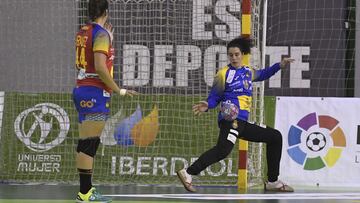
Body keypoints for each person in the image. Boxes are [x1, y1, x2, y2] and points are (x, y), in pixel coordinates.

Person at [176, 36, 294, 193]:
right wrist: (208, 104)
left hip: (242, 123)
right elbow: (215, 96)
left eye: (237, 54)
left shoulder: (247, 72)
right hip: (230, 119)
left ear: (242, 54)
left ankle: (272, 181)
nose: (234, 58)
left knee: (275, 137)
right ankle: (189, 173)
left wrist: (280, 65)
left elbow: (264, 73)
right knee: (223, 150)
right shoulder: (223, 73)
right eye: (230, 55)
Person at [73, 0, 138, 202]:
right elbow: (100, 68)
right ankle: (85, 193)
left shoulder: (84, 31)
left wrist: (107, 37)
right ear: (106, 12)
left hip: (82, 89)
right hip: (95, 92)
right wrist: (118, 89)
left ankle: (86, 191)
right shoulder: (101, 34)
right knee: (89, 144)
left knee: (86, 144)